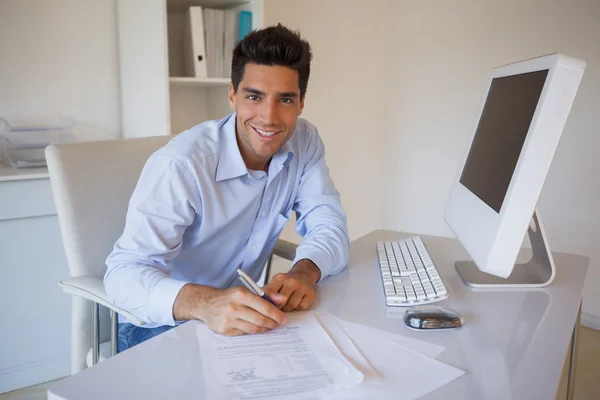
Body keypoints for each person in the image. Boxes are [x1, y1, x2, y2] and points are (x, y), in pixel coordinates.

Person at [104, 24, 349, 353]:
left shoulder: (305, 141)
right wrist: (207, 304)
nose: (269, 117)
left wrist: (305, 271)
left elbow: (328, 223)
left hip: (236, 321)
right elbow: (122, 278)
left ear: (302, 102)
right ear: (232, 94)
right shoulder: (182, 164)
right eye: (254, 96)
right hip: (159, 324)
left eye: (285, 99)